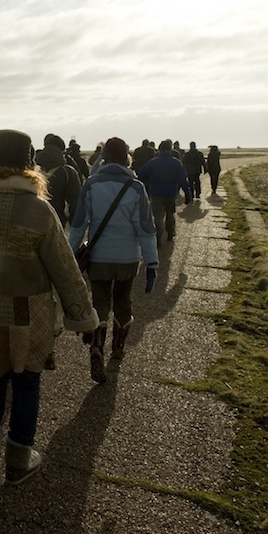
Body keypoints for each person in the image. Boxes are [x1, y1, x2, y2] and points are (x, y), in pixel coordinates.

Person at [0, 130, 99, 486]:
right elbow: (64, 268)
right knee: (27, 384)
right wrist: (82, 315)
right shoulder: (39, 210)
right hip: (31, 315)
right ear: (30, 166)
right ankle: (19, 459)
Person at [69, 138, 158, 384]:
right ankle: (118, 348)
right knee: (122, 299)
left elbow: (78, 226)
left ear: (104, 157)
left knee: (100, 300)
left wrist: (68, 254)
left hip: (99, 257)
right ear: (127, 156)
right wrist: (152, 264)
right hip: (128, 258)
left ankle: (97, 345)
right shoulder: (136, 187)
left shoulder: (91, 184)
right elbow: (146, 230)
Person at [138, 139, 191, 246]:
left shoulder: (153, 162)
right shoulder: (176, 163)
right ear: (170, 149)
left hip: (156, 193)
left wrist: (148, 182)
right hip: (171, 193)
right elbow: (183, 179)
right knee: (170, 213)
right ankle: (170, 233)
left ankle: (158, 237)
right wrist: (187, 193)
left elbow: (141, 174)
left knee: (157, 216)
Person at [33, 133, 82, 227]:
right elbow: (75, 203)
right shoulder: (68, 172)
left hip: (34, 222)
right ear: (62, 151)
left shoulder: (32, 169)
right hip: (58, 223)